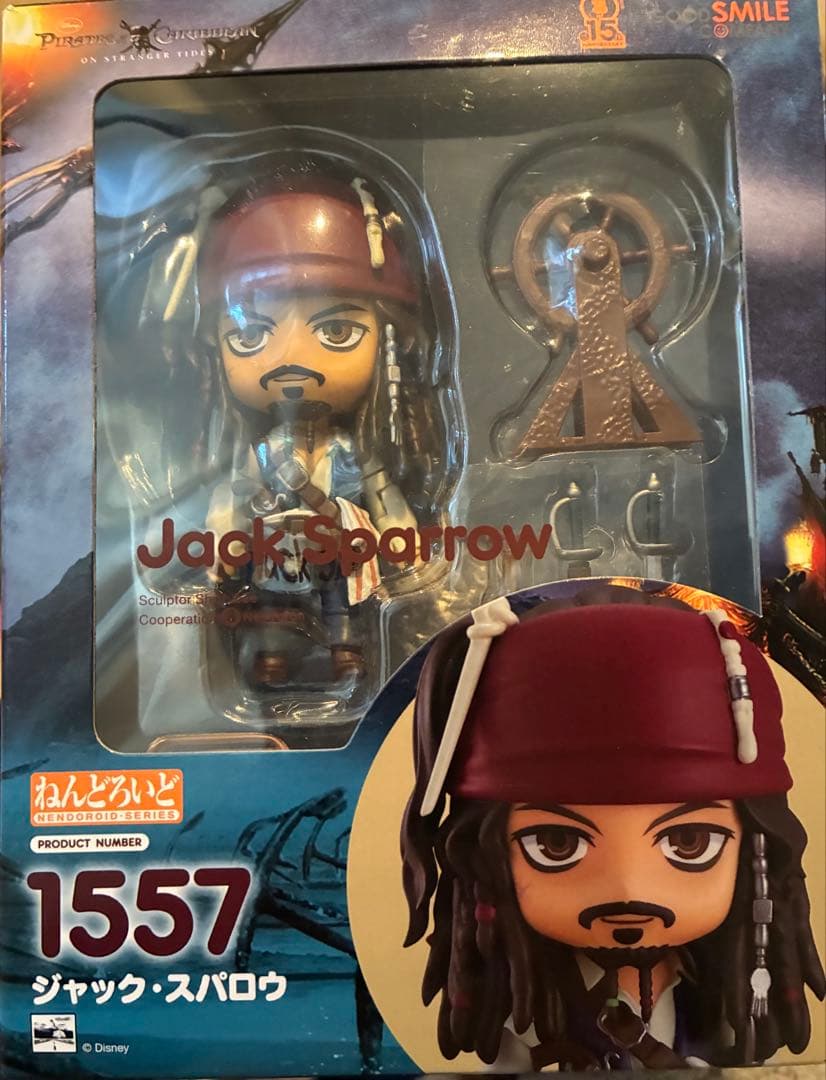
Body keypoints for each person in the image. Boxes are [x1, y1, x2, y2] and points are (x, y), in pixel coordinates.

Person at [401, 585, 824, 1069]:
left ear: (756, 850)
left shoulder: (724, 988)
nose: (629, 888)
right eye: (556, 843)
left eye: (689, 841)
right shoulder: (524, 1003)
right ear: (486, 856)